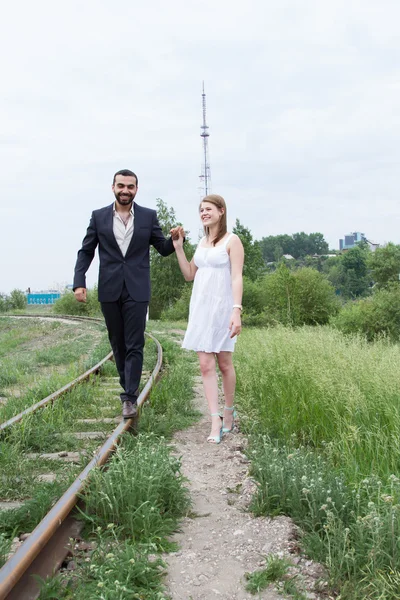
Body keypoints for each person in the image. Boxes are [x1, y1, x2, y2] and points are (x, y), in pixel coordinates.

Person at [73, 169, 183, 418]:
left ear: (136, 189)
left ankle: (129, 397)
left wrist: (175, 239)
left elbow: (162, 248)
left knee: (135, 343)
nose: (125, 190)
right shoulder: (99, 217)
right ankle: (127, 386)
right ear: (113, 187)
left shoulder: (148, 216)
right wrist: (79, 282)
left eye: (130, 186)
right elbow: (86, 251)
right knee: (118, 342)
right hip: (109, 288)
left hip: (137, 288)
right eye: (121, 186)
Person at [173, 194, 244, 444]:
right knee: (205, 365)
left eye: (209, 209)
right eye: (201, 209)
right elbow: (189, 274)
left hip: (223, 308)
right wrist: (179, 248)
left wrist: (236, 310)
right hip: (201, 309)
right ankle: (215, 418)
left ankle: (229, 411)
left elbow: (236, 277)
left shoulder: (232, 241)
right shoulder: (202, 242)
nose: (204, 213)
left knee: (224, 363)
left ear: (221, 211)